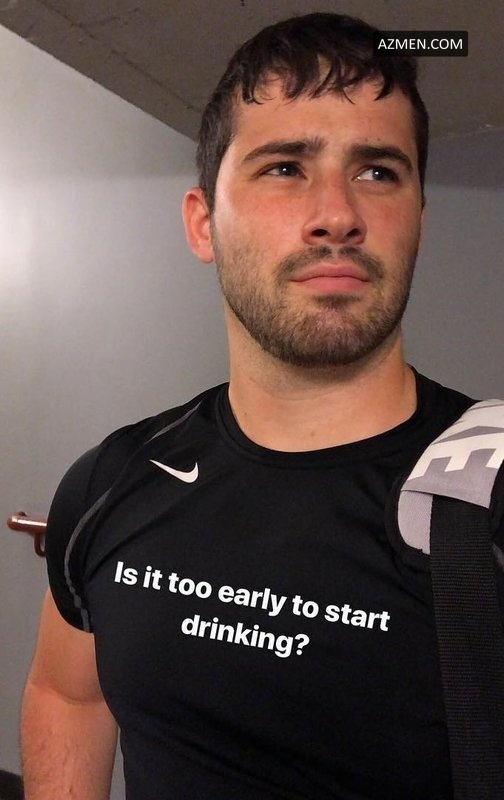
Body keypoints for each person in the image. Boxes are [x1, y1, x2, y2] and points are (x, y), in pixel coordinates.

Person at [20, 11, 504, 800]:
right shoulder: (112, 479)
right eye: (285, 167)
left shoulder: (488, 496)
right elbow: (70, 695)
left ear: (418, 220)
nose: (338, 214)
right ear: (203, 224)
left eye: (379, 172)